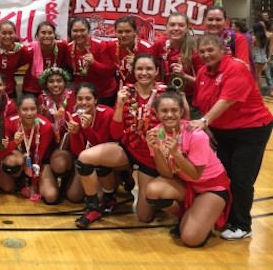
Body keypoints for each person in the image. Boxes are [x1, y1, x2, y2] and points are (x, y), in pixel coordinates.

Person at [191, 34, 273, 240]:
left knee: (241, 178)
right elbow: (203, 102)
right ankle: (227, 218)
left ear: (223, 50)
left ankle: (242, 225)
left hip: (251, 130)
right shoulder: (202, 71)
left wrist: (205, 122)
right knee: (224, 176)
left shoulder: (235, 68)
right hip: (223, 131)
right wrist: (209, 128)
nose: (206, 54)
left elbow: (226, 101)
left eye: (210, 50)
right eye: (202, 51)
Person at [74, 54, 165, 229]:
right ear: (133, 70)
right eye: (139, 68)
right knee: (85, 158)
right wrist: (120, 104)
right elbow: (115, 134)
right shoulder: (126, 91)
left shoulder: (165, 93)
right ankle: (97, 206)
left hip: (151, 157)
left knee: (143, 217)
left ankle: (154, 196)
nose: (144, 72)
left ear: (157, 71)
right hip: (128, 149)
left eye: (148, 69)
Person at [145, 92, 231, 248]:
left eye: (174, 110)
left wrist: (175, 154)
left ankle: (203, 216)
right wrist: (156, 150)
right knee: (152, 191)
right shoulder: (157, 133)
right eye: (164, 111)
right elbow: (167, 175)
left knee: (190, 239)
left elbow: (196, 175)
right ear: (156, 113)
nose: (169, 115)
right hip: (187, 184)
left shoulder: (196, 134)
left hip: (211, 186)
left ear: (181, 112)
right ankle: (188, 214)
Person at [0, 95, 53, 201]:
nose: (29, 113)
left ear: (38, 109)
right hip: (19, 160)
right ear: (18, 110)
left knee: (50, 196)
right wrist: (14, 143)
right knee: (7, 187)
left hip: (39, 164)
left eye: (32, 109)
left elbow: (39, 157)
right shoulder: (9, 121)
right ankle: (19, 181)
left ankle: (29, 182)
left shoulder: (46, 126)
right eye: (25, 109)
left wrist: (34, 186)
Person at [36, 67, 77, 204]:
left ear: (65, 82)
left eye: (59, 81)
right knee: (51, 197)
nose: (55, 85)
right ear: (45, 84)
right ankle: (48, 175)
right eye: (51, 81)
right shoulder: (41, 99)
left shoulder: (73, 97)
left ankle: (70, 174)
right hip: (48, 148)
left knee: (74, 196)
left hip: (68, 148)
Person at [152, 12, 204, 108]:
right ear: (166, 26)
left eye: (181, 25)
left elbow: (204, 84)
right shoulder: (159, 44)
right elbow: (153, 71)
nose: (176, 28)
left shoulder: (195, 49)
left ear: (187, 27)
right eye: (172, 25)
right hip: (164, 97)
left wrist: (184, 76)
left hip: (189, 100)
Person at [67, 17, 116, 105]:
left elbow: (110, 71)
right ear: (70, 32)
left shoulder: (100, 45)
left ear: (89, 31)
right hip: (83, 94)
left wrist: (94, 63)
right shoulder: (68, 48)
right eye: (75, 31)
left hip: (104, 93)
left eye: (82, 30)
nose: (79, 34)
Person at [22, 21, 70, 97]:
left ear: (54, 35)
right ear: (37, 36)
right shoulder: (30, 49)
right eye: (43, 33)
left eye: (50, 33)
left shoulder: (62, 46)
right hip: (32, 88)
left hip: (54, 87)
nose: (47, 36)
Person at [204, 6, 253, 76]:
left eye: (218, 20)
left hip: (231, 82)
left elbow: (243, 68)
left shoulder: (237, 39)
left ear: (226, 20)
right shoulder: (201, 42)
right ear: (204, 20)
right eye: (210, 19)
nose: (214, 23)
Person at [106, 16, 153, 85]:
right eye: (120, 32)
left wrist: (137, 64)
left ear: (135, 32)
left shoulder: (147, 48)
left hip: (142, 86)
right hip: (119, 87)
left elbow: (154, 74)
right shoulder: (110, 45)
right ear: (115, 33)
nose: (124, 35)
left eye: (127, 31)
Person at [251, 22, 273, 95]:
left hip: (256, 58)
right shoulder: (266, 37)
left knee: (256, 76)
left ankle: (256, 92)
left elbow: (251, 50)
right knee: (259, 76)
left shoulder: (254, 38)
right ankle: (258, 92)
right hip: (263, 58)